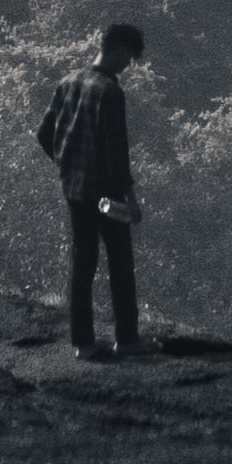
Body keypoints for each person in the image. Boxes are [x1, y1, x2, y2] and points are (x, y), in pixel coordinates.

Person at [36, 21, 148, 360]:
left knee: (82, 265)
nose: (127, 66)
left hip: (74, 189)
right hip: (106, 196)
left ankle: (83, 343)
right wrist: (131, 200)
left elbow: (44, 135)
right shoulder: (109, 93)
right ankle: (127, 339)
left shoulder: (68, 83)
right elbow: (117, 154)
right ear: (119, 51)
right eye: (128, 58)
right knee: (120, 265)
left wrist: (67, 163)